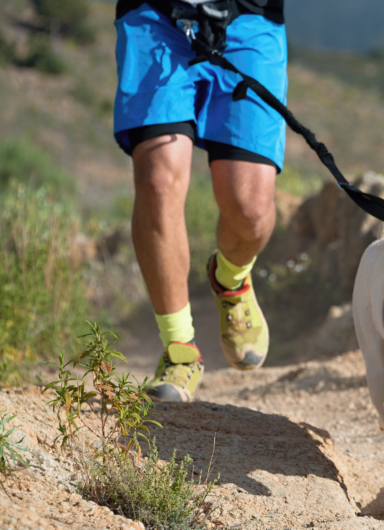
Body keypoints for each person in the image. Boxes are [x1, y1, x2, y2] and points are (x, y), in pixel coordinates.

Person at [113, 0, 285, 401]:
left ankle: (231, 277)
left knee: (251, 210)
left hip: (250, 18)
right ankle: (179, 350)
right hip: (155, 17)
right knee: (158, 179)